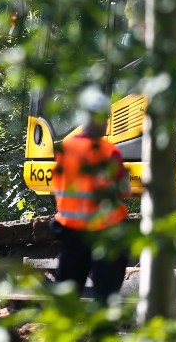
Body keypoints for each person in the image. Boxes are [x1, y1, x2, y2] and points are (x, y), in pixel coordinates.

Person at [50, 87, 131, 304]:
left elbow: (58, 188)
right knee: (106, 295)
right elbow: (125, 190)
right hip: (105, 232)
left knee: (67, 295)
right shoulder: (109, 152)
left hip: (71, 232)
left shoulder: (64, 149)